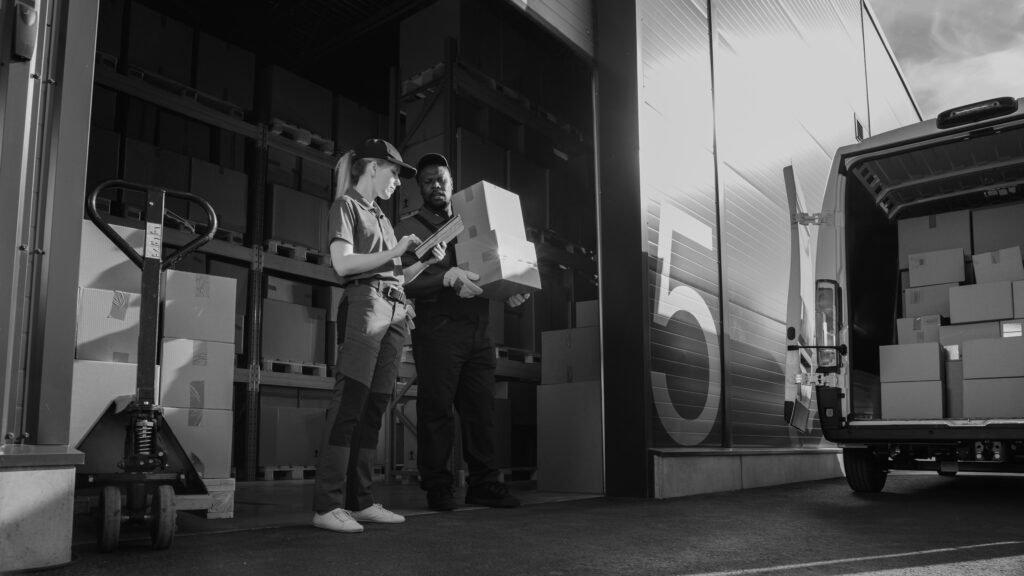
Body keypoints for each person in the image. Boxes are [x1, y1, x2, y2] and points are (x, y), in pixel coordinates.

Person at [312, 138, 445, 533]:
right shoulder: (347, 206)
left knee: (375, 407)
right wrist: (396, 252)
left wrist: (422, 259)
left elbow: (398, 274)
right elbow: (342, 263)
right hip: (365, 304)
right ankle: (326, 505)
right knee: (350, 400)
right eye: (394, 173)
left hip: (395, 308)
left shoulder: (383, 218)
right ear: (373, 167)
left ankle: (361, 500)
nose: (397, 183)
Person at [395, 153, 531, 512]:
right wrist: (444, 278)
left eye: (441, 178)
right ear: (419, 188)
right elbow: (402, 283)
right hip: (437, 331)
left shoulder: (477, 222)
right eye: (428, 181)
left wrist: (511, 288)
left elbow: (495, 267)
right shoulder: (410, 229)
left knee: (480, 412)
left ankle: (484, 484)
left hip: (478, 330)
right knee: (436, 411)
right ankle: (437, 487)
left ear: (452, 183)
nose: (436, 185)